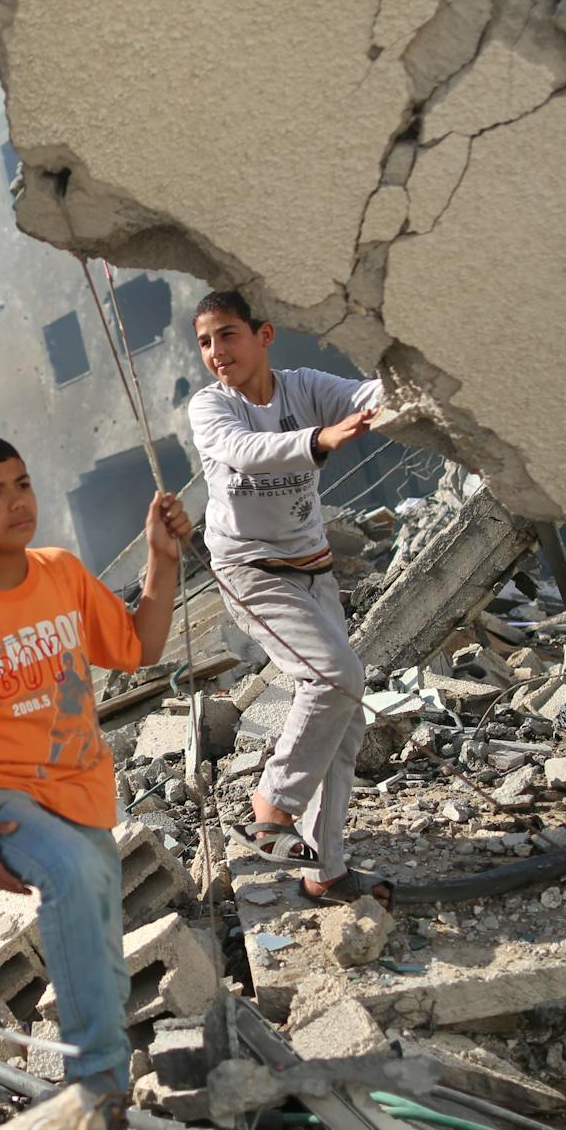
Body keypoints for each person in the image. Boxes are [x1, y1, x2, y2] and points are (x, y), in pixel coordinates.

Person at [0, 434, 192, 1130]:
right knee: (70, 874)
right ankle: (97, 1122)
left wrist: (163, 557)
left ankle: (103, 1118)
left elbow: (141, 646)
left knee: (102, 950)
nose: (16, 500)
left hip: (81, 788)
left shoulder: (60, 573)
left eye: (21, 483)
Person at [186, 289, 394, 907]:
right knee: (334, 677)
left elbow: (368, 399)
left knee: (346, 713)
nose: (217, 352)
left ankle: (325, 871)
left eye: (228, 335)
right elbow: (243, 453)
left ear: (263, 335)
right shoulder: (210, 406)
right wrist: (320, 440)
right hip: (251, 572)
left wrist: (409, 381)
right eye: (205, 342)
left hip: (313, 570)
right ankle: (272, 805)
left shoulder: (302, 386)